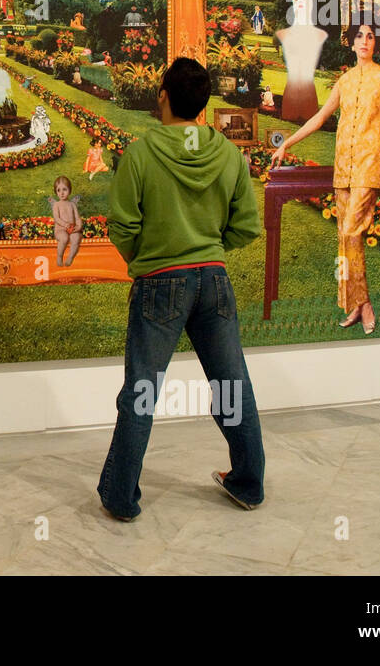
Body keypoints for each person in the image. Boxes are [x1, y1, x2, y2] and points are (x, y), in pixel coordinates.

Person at [98, 56, 264, 520]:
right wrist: (209, 248)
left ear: (163, 96)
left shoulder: (141, 153)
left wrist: (148, 259)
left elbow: (122, 226)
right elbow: (247, 226)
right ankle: (248, 484)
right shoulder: (229, 154)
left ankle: (120, 496)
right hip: (214, 279)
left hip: (159, 284)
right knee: (232, 385)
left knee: (143, 391)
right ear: (205, 102)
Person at [270, 22, 380, 334]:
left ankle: (364, 304)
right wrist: (287, 143)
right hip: (344, 167)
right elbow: (320, 117)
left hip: (368, 166)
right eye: (359, 37)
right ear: (351, 45)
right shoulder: (345, 81)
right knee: (346, 236)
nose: (365, 41)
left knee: (351, 232)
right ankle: (355, 306)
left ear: (375, 43)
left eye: (370, 36)